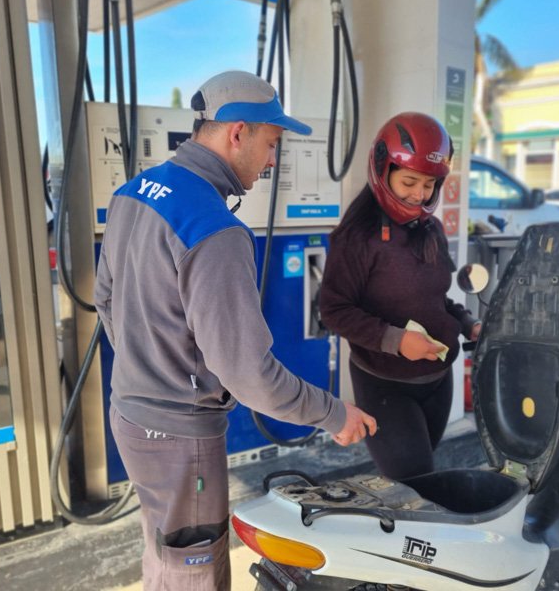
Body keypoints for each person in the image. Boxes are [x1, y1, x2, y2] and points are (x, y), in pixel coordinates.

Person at [94, 70, 376, 591]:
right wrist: (334, 414)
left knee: (164, 558)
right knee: (194, 575)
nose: (273, 161)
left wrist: (148, 365)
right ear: (237, 132)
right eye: (271, 144)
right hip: (180, 437)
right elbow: (249, 375)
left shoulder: (132, 194)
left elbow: (105, 297)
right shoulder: (216, 229)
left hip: (131, 415)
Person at [318, 112, 480, 481]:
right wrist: (395, 341)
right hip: (384, 385)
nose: (419, 194)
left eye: (428, 185)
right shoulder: (356, 237)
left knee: (423, 478)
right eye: (409, 181)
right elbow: (334, 310)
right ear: (383, 168)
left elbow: (437, 299)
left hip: (438, 382)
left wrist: (468, 323)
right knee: (415, 484)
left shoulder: (432, 229)